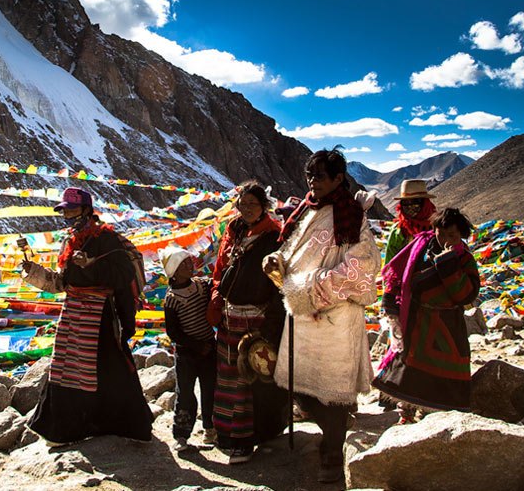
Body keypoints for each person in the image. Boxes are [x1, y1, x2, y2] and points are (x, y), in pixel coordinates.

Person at [263, 150, 381, 483]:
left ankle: (332, 453)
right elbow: (292, 254)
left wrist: (309, 290)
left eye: (319, 176)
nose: (312, 181)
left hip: (334, 319)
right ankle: (334, 432)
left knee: (334, 391)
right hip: (301, 318)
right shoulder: (306, 212)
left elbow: (362, 267)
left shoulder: (352, 216)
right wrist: (277, 262)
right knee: (302, 388)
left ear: (339, 179)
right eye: (309, 175)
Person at [21, 186, 153, 444]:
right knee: (64, 369)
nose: (67, 215)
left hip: (100, 315)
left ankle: (130, 427)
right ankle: (64, 430)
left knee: (109, 368)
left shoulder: (107, 238)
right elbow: (62, 284)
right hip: (72, 315)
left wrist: (93, 266)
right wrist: (34, 272)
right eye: (65, 210)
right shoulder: (69, 242)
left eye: (72, 209)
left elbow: (122, 275)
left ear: (86, 210)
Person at [372, 207, 481, 419]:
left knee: (444, 371)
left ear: (461, 236)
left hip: (448, 324)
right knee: (410, 368)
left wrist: (448, 265)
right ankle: (406, 412)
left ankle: (436, 414)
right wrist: (391, 306)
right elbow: (398, 275)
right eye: (442, 233)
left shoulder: (464, 258)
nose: (446, 239)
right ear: (435, 229)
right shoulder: (420, 248)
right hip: (417, 319)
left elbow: (466, 295)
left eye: (453, 235)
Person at [210, 181, 287, 464]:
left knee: (247, 379)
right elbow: (221, 270)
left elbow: (281, 283)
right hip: (231, 315)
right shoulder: (234, 232)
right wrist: (218, 295)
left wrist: (272, 321)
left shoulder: (273, 238)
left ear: (263, 207)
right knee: (227, 376)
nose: (246, 210)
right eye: (242, 205)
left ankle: (245, 440)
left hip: (257, 317)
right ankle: (225, 433)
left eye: (252, 205)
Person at [160, 245, 217, 453]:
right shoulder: (172, 299)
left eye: (188, 261)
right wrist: (195, 345)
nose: (190, 265)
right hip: (187, 354)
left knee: (210, 389)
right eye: (183, 264)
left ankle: (211, 429)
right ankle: (182, 435)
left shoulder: (202, 285)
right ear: (174, 272)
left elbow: (218, 285)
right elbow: (173, 333)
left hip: (209, 347)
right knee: (185, 394)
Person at [381, 179, 437, 267]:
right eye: (406, 203)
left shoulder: (437, 227)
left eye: (415, 202)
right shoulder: (398, 232)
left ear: (424, 203)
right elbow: (390, 263)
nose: (410, 207)